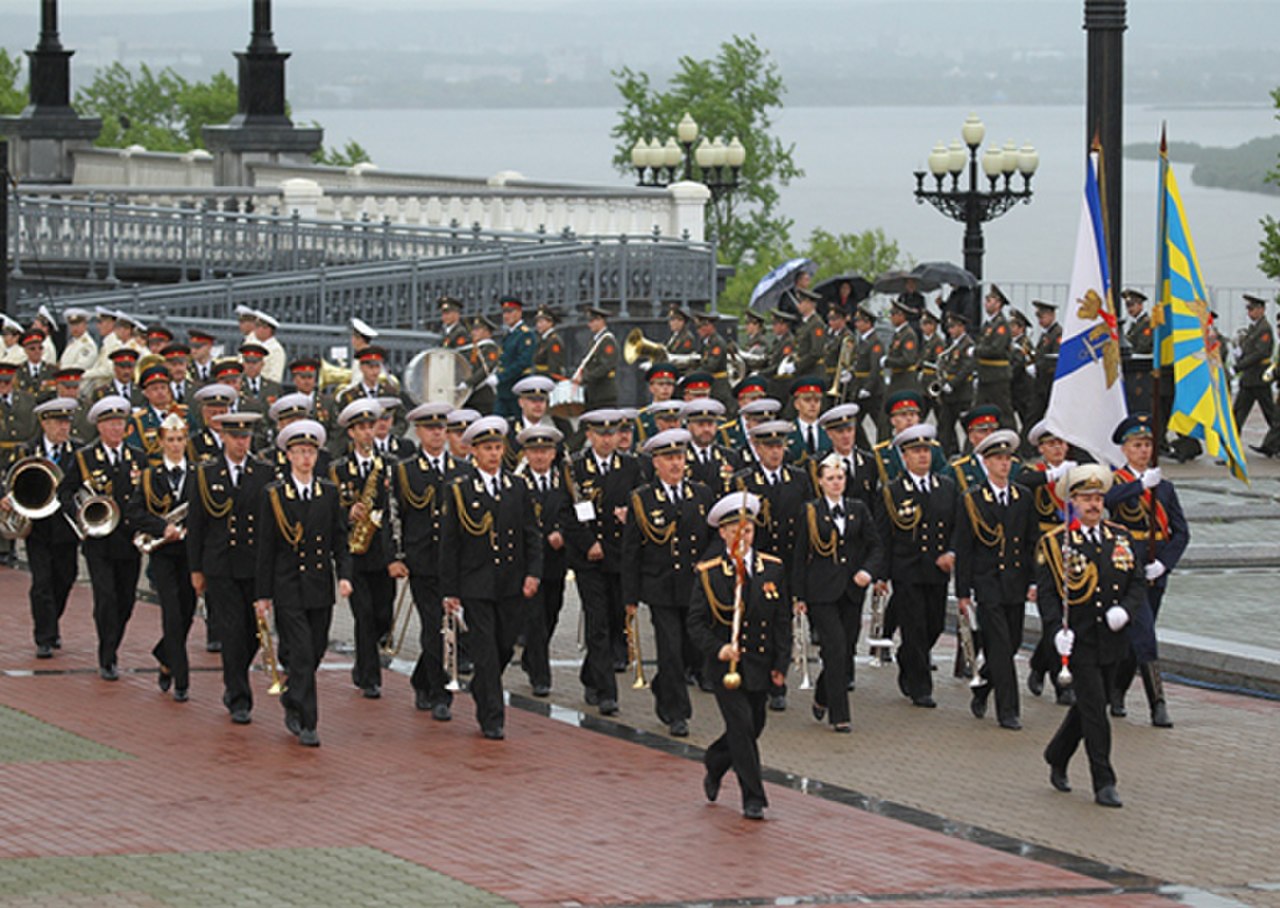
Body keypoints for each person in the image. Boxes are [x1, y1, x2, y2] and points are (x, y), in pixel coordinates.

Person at [1040, 464, 1144, 808]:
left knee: (1090, 705)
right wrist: (1056, 631)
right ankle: (1104, 781)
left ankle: (1057, 753)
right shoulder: (1056, 543)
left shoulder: (1120, 537)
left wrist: (1126, 610)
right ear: (1073, 501)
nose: (1093, 504)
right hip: (1078, 639)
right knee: (1096, 711)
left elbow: (1136, 583)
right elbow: (1049, 595)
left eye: (1098, 497)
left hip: (1112, 639)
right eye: (1086, 498)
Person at [687, 492, 791, 821]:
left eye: (746, 530)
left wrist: (780, 664)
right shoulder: (709, 573)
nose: (741, 536)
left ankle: (716, 762)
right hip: (725, 666)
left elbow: (781, 621)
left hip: (760, 662)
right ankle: (753, 797)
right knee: (741, 726)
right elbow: (696, 622)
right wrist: (718, 648)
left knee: (754, 725)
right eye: (734, 530)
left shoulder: (771, 569)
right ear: (722, 533)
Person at [439, 415, 542, 740]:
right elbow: (450, 543)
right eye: (487, 449)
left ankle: (484, 685)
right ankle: (492, 718)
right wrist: (450, 589)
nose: (494, 454)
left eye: (498, 448)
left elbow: (531, 535)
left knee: (504, 645)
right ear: (475, 453)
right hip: (477, 582)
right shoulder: (459, 489)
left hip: (511, 581)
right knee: (484, 647)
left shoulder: (517, 486)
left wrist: (533, 573)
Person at [255, 419, 354, 747]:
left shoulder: (328, 492)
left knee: (315, 649)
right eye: (299, 452)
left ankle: (293, 695)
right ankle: (309, 721)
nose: (306, 458)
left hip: (318, 585)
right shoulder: (275, 495)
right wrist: (263, 594)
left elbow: (340, 540)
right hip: (288, 585)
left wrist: (345, 576)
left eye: (311, 452)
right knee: (300, 650)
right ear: (288, 456)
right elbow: (266, 547)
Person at [621, 428, 714, 737]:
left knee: (691, 651)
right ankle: (677, 713)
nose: (676, 464)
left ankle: (664, 685)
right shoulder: (642, 499)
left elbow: (715, 539)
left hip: (695, 587)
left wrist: (708, 565)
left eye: (679, 457)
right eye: (668, 458)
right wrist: (630, 596)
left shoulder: (701, 494)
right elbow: (632, 550)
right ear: (656, 462)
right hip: (660, 587)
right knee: (670, 650)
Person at [1104, 414, 1189, 728]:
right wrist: (1139, 486)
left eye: (1148, 445)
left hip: (1155, 569)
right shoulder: (1115, 480)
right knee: (1145, 635)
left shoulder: (1164, 488)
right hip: (1126, 568)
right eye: (1137, 445)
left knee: (1133, 638)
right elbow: (1106, 502)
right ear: (1124, 450)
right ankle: (1158, 704)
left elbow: (1181, 532)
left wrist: (1164, 563)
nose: (1143, 451)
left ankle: (1116, 690)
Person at [188, 412, 271, 725]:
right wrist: (196, 569)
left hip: (253, 564)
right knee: (232, 631)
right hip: (220, 564)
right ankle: (238, 696)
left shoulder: (263, 472)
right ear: (223, 437)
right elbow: (197, 524)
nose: (241, 442)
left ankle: (236, 676)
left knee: (252, 634)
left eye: (246, 436)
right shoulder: (207, 472)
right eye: (235, 436)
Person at [952, 429, 1037, 730]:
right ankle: (1008, 710)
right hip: (987, 582)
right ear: (986, 463)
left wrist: (1033, 581)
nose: (1004, 464)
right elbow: (964, 547)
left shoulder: (1022, 497)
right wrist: (963, 592)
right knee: (1001, 647)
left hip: (1015, 581)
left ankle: (983, 686)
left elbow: (1030, 542)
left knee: (1011, 643)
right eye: (998, 459)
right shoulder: (972, 499)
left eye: (1007, 459)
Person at [792, 453, 883, 733]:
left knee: (844, 651)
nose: (836, 483)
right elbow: (799, 555)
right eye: (830, 478)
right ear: (820, 482)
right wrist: (799, 596)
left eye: (840, 478)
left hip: (852, 590)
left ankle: (822, 694)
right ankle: (840, 715)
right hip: (821, 591)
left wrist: (868, 571)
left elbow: (875, 545)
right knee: (834, 647)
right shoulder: (809, 511)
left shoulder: (858, 508)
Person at [58, 395, 145, 680]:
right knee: (106, 598)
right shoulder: (84, 458)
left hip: (129, 540)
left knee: (126, 601)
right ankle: (107, 655)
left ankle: (113, 641)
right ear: (100, 427)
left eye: (120, 423)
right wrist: (81, 516)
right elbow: (64, 492)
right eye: (110, 424)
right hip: (99, 542)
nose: (116, 429)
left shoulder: (138, 457)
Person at [874, 424, 958, 709]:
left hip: (937, 569)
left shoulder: (946, 487)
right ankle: (921, 687)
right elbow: (883, 537)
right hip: (907, 569)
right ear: (904, 456)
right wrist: (881, 574)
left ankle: (907, 657)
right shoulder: (893, 491)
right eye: (916, 452)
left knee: (935, 623)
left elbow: (957, 526)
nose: (922, 457)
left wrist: (952, 552)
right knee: (915, 627)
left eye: (926, 451)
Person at [732, 418, 811, 712]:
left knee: (781, 626)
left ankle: (778, 683)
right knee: (754, 623)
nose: (775, 452)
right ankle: (755, 678)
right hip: (758, 562)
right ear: (757, 448)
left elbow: (806, 522)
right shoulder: (745, 481)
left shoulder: (799, 478)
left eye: (779, 446)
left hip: (788, 564)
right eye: (769, 447)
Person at [388, 402, 461, 718]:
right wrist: (394, 557)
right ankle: (440, 693)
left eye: (442, 428)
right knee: (435, 627)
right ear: (417, 432)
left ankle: (421, 677)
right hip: (423, 561)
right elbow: (393, 515)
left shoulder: (462, 470)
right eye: (430, 428)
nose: (437, 434)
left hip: (457, 564)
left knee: (452, 629)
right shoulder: (404, 470)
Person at [567, 409, 639, 715]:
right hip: (590, 557)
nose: (607, 440)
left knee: (614, 620)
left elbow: (642, 502)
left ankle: (590, 674)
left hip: (620, 555)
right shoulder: (575, 466)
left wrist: (630, 516)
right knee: (597, 622)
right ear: (589, 435)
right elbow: (569, 511)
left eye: (612, 434)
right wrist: (588, 543)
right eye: (601, 434)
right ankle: (607, 692)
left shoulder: (631, 466)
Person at [128, 413, 198, 702]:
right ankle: (181, 680)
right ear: (160, 442)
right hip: (163, 554)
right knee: (171, 612)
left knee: (188, 611)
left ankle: (164, 655)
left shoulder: (199, 474)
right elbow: (135, 512)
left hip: (191, 553)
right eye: (170, 440)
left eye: (180, 439)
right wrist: (162, 527)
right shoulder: (148, 477)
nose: (176, 445)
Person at [329, 399, 395, 699]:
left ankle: (364, 663)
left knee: (383, 614)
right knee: (364, 615)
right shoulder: (338, 469)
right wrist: (347, 513)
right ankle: (369, 676)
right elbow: (329, 512)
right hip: (353, 553)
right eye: (362, 428)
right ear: (351, 433)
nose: (369, 433)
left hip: (383, 551)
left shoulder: (390, 465)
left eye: (371, 427)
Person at [14, 399, 80, 658]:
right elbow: (10, 479)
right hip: (38, 528)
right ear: (45, 423)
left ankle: (51, 620)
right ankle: (45, 636)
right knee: (42, 581)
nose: (64, 428)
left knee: (66, 577)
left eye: (67, 422)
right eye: (58, 423)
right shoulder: (28, 450)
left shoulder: (78, 452)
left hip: (65, 527)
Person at [1023, 420, 1078, 706]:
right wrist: (1053, 476)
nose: (1056, 448)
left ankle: (1039, 663)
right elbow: (1021, 483)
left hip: (1073, 549)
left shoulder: (1077, 472)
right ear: (1041, 449)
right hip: (1044, 552)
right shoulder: (1035, 474)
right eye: (1050, 444)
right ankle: (1062, 683)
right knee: (1053, 616)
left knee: (1065, 618)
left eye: (1060, 443)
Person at [516, 423, 572, 698]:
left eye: (545, 451)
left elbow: (574, 513)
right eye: (534, 451)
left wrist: (563, 533)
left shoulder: (565, 480)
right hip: (528, 563)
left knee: (552, 611)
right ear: (526, 454)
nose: (539, 457)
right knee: (534, 617)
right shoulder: (517, 482)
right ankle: (540, 675)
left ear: (553, 454)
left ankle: (531, 656)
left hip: (555, 560)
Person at [1234, 294, 1277, 451]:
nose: (1249, 312)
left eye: (1252, 309)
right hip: (1250, 379)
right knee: (1237, 414)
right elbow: (1248, 350)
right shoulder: (1254, 328)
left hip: (1258, 378)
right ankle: (1232, 449)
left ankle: (1273, 445)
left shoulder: (1264, 329)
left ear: (1261, 310)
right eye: (1248, 309)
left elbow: (1260, 353)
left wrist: (1238, 367)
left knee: (1271, 415)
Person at [975, 284, 1014, 425]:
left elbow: (995, 349)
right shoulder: (989, 325)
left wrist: (976, 350)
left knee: (1003, 411)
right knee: (979, 411)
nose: (986, 303)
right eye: (986, 300)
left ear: (998, 304)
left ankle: (1011, 439)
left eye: (990, 300)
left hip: (997, 375)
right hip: (985, 374)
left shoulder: (1001, 325)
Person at [495, 296, 536, 419]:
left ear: (519, 312)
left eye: (510, 312)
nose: (506, 316)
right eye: (504, 312)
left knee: (518, 425)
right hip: (505, 388)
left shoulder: (525, 334)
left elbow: (523, 362)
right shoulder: (509, 334)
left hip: (517, 386)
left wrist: (500, 377)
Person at [848, 306, 885, 444]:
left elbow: (875, 368)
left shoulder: (875, 342)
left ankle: (884, 450)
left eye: (859, 321)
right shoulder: (861, 341)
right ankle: (864, 449)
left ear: (868, 323)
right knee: (854, 423)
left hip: (873, 391)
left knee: (880, 424)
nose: (857, 324)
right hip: (859, 387)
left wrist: (868, 388)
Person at [574, 305, 619, 408]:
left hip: (604, 393)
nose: (589, 324)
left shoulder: (607, 341)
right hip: (594, 393)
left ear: (601, 321)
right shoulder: (595, 341)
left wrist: (585, 378)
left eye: (592, 321)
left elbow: (605, 366)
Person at [1030, 301, 1061, 427]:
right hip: (1041, 382)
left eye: (1042, 317)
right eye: (1038, 317)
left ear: (1051, 316)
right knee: (1032, 416)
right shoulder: (1046, 334)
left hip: (1049, 382)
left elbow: (1055, 358)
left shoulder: (1057, 333)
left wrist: (1037, 367)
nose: (1040, 321)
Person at [884, 299, 921, 397]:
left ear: (901, 316)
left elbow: (908, 359)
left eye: (893, 314)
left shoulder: (908, 335)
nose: (891, 317)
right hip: (897, 378)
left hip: (905, 381)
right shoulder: (899, 334)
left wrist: (888, 361)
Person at [531, 307, 567, 381]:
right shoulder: (543, 339)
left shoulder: (554, 341)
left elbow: (554, 365)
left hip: (547, 380)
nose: (538, 325)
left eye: (541, 322)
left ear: (550, 323)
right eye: (537, 322)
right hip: (540, 377)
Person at [1122, 289, 1153, 354]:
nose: (1130, 309)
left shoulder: (1147, 323)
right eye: (1127, 306)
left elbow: (1144, 347)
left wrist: (1128, 352)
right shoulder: (1134, 324)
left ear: (1140, 305)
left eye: (1132, 305)